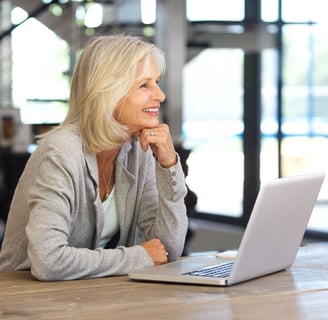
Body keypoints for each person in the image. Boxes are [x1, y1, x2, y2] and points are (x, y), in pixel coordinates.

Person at [0, 34, 188, 281]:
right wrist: (139, 257)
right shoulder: (61, 151)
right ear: (109, 91)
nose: (160, 95)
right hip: (25, 299)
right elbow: (49, 261)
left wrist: (169, 165)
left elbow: (168, 248)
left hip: (85, 295)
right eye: (145, 85)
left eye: (156, 82)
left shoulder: (138, 150)